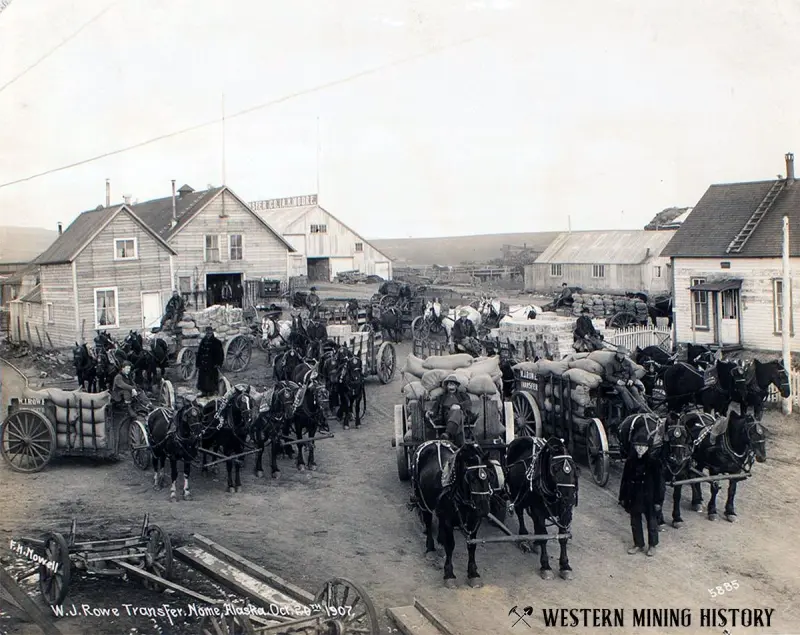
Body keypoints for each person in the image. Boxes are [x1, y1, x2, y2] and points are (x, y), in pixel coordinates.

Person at [619, 440, 664, 556]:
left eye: (643, 446)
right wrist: (623, 497)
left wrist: (658, 501)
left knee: (652, 521)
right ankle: (638, 544)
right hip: (634, 496)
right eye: (638, 446)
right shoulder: (630, 462)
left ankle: (652, 545)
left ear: (647, 448)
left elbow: (660, 484)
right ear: (634, 447)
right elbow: (624, 480)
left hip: (649, 497)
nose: (640, 449)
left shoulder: (654, 463)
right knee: (635, 521)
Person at [426, 375, 477, 447]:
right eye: (449, 383)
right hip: (446, 417)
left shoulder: (462, 395)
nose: (451, 385)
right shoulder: (442, 397)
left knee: (458, 412)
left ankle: (448, 434)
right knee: (457, 416)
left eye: (453, 383)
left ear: (456, 386)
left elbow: (468, 403)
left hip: (462, 415)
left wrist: (459, 406)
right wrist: (431, 412)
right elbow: (435, 408)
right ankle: (460, 443)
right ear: (446, 386)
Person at [608, 347, 650, 413]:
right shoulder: (610, 363)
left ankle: (642, 407)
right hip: (616, 384)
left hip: (627, 382)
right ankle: (632, 409)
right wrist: (617, 381)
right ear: (617, 353)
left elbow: (633, 374)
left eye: (623, 354)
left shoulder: (627, 362)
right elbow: (608, 376)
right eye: (620, 353)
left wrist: (631, 380)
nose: (621, 355)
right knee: (623, 390)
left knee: (634, 389)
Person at [196, 326, 224, 397]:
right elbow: (199, 353)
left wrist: (218, 363)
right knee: (203, 379)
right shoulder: (203, 341)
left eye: (210, 332)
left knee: (211, 379)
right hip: (203, 364)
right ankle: (204, 392)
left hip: (212, 364)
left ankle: (212, 392)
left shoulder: (216, 342)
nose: (208, 334)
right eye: (207, 332)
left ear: (212, 332)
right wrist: (198, 363)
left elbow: (220, 354)